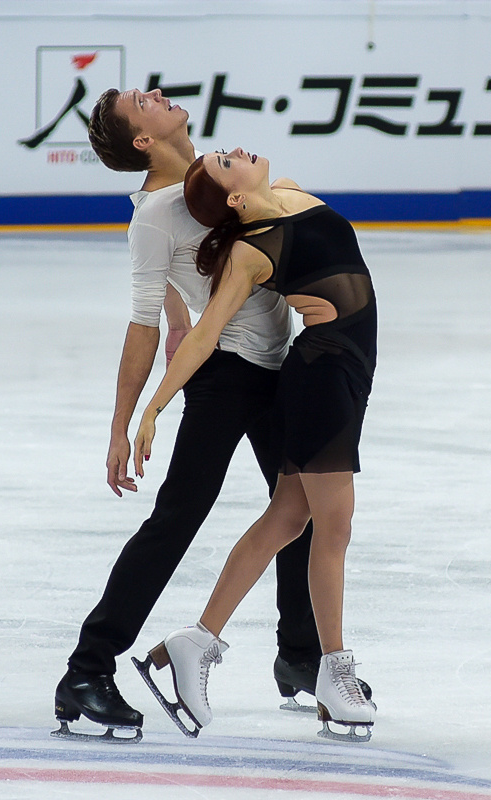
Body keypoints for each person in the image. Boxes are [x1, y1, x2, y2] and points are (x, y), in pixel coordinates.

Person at [53, 89, 325, 740]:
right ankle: (87, 670)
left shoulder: (217, 167)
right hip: (225, 373)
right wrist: (124, 422)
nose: (156, 95)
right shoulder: (153, 215)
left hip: (278, 360)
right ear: (142, 141)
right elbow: (142, 321)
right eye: (140, 104)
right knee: (179, 516)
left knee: (302, 504)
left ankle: (300, 655)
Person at [132, 148, 378, 738]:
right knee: (332, 527)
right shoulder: (250, 251)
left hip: (346, 371)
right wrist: (153, 407)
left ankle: (197, 642)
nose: (233, 151)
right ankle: (334, 673)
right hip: (321, 375)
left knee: (289, 517)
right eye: (223, 162)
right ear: (235, 200)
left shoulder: (290, 189)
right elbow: (204, 334)